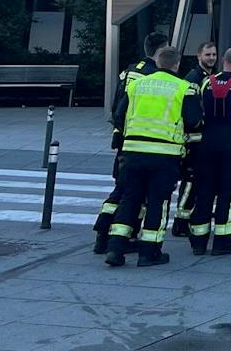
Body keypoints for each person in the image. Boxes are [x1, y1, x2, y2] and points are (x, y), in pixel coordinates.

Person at [105, 44, 201, 267]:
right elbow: (194, 120)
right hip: (165, 155)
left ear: (157, 62)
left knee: (130, 199)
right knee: (158, 202)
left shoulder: (137, 85)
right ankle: (150, 251)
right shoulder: (183, 88)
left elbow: (119, 117)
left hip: (133, 152)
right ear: (177, 64)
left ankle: (116, 248)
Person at [94, 30, 167, 253]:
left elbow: (118, 107)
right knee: (132, 192)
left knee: (121, 189)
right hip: (141, 141)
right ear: (161, 50)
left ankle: (103, 233)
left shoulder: (128, 71)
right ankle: (120, 236)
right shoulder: (154, 76)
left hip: (124, 138)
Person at [187, 46, 231, 256]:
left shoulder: (206, 82)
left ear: (223, 59)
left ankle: (198, 240)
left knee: (204, 189)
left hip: (208, 140)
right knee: (228, 192)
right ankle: (223, 241)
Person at [171, 39, 220, 237]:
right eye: (207, 55)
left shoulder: (212, 76)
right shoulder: (193, 77)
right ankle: (180, 222)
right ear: (199, 56)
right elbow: (191, 111)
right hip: (193, 138)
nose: (211, 58)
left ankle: (190, 216)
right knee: (190, 181)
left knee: (199, 180)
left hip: (205, 137)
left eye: (214, 55)